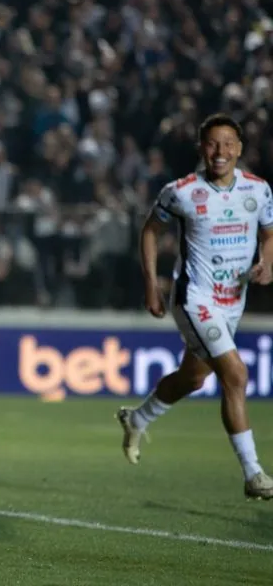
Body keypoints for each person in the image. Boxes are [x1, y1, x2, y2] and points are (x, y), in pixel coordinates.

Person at [119, 112, 273, 499]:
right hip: (194, 297)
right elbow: (150, 231)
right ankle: (254, 474)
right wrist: (151, 283)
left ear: (239, 149)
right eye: (212, 144)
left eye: (227, 144)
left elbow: (269, 233)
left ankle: (137, 418)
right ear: (201, 148)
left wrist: (268, 262)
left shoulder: (258, 190)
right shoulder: (182, 191)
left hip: (232, 302)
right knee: (235, 374)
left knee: (193, 378)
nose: (220, 151)